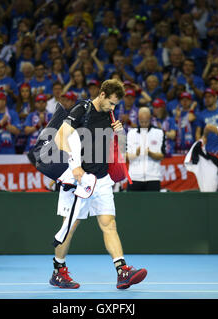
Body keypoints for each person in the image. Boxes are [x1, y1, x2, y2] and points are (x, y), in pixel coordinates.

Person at [49, 79, 147, 290]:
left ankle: (122, 272)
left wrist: (120, 134)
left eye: (116, 105)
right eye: (111, 103)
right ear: (102, 95)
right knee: (70, 227)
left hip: (102, 180)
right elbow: (60, 136)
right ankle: (58, 271)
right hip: (79, 180)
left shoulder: (110, 115)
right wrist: (75, 166)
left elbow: (119, 150)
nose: (113, 108)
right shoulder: (81, 109)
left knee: (109, 224)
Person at [126, 107, 165, 191]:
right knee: (131, 204)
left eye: (146, 122)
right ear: (138, 119)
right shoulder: (131, 133)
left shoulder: (159, 133)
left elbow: (162, 155)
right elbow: (126, 157)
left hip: (153, 177)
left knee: (153, 204)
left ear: (150, 119)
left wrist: (151, 153)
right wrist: (136, 154)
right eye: (141, 122)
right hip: (134, 177)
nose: (144, 124)